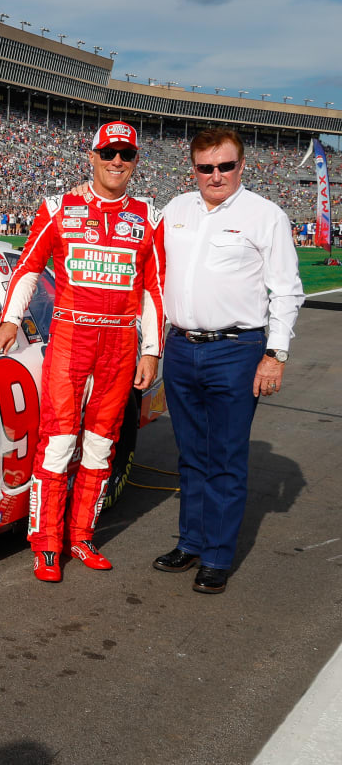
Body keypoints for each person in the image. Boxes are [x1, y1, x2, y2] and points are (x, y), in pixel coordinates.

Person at [0, 121, 164, 583]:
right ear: (92, 156)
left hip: (121, 343)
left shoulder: (149, 215)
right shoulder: (58, 208)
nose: (116, 162)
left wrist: (151, 351)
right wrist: (9, 320)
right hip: (70, 339)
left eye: (125, 154)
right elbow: (28, 268)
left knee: (102, 445)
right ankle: (45, 543)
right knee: (59, 442)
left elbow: (153, 290)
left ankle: (81, 535)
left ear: (136, 161)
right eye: (108, 153)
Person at [152, 129, 304, 594]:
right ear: (192, 167)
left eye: (225, 166)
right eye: (206, 167)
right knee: (192, 455)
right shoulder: (174, 210)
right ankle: (192, 541)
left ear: (242, 166)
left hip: (236, 351)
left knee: (226, 457)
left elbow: (287, 290)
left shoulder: (266, 215)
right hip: (181, 347)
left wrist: (275, 355)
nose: (216, 175)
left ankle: (217, 555)